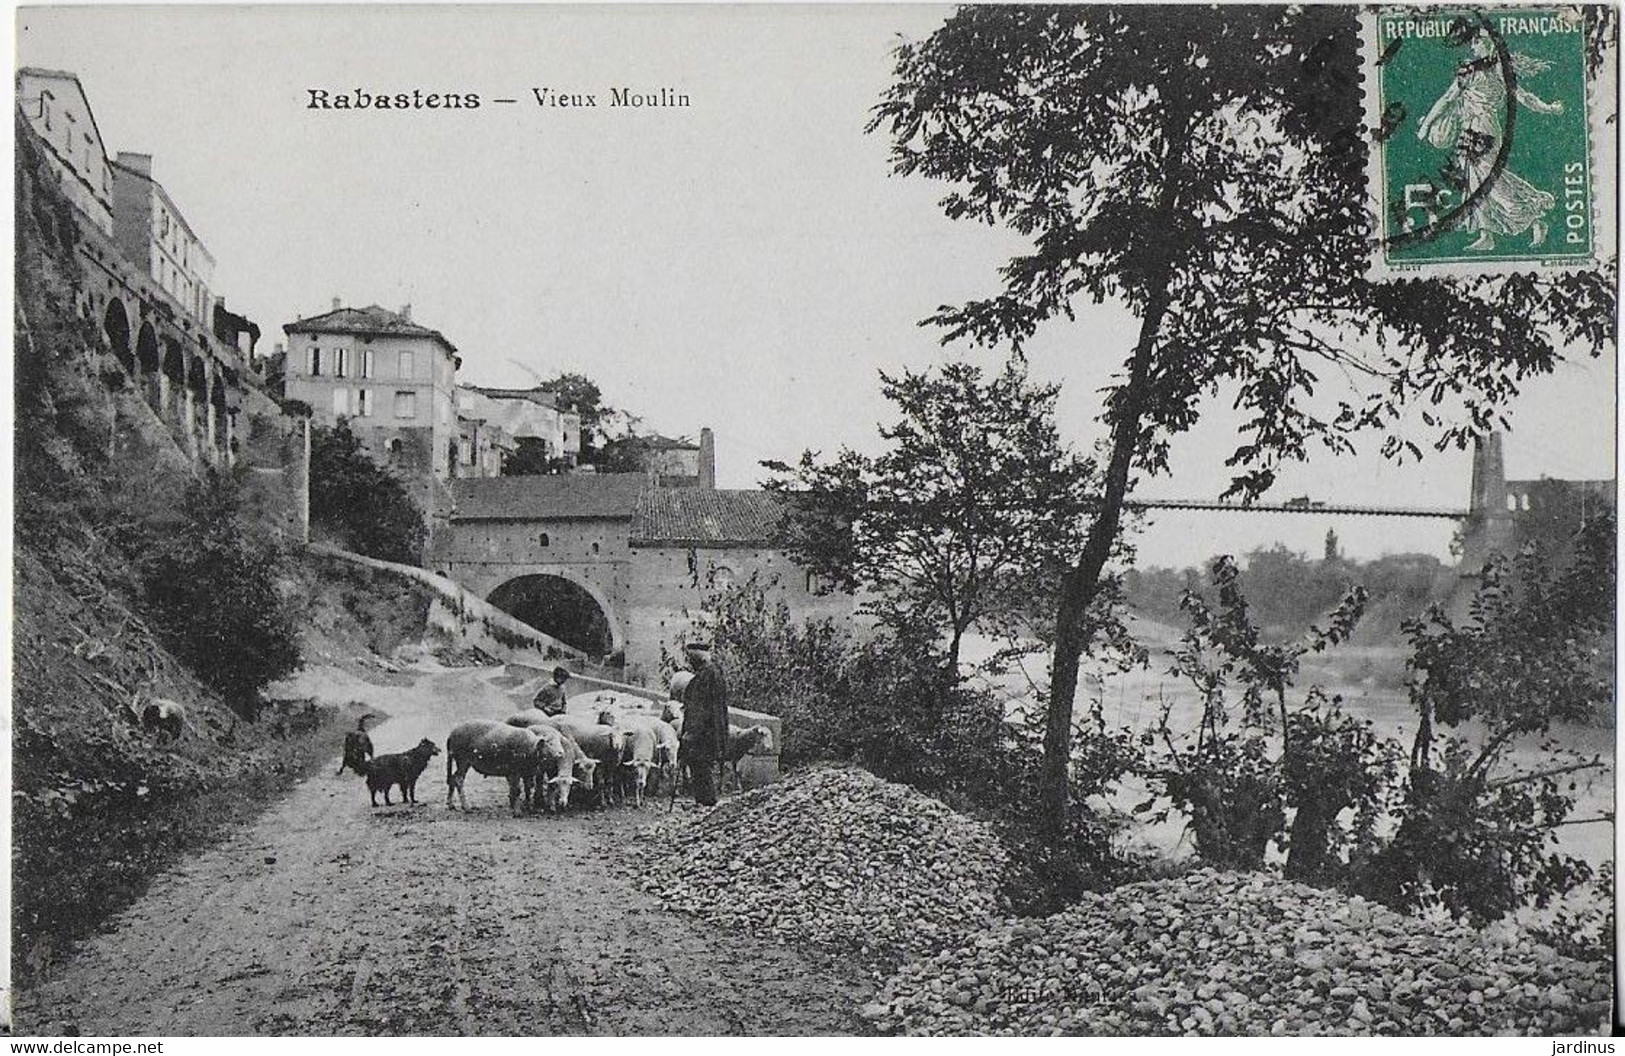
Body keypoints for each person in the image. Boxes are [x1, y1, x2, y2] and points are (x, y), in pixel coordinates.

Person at [1416, 29, 1565, 252]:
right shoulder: (1469, 71)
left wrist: (1548, 108)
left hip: (1484, 130)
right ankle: (1487, 235)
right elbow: (1449, 98)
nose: (1473, 46)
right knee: (1474, 181)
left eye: (1479, 42)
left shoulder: (1497, 71)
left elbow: (1522, 96)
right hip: (1469, 129)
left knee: (1489, 181)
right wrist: (1428, 123)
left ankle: (1532, 217)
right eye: (1473, 42)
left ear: (1491, 45)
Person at [678, 639, 728, 807]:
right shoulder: (714, 673)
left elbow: (700, 709)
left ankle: (706, 802)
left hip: (704, 732)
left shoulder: (704, 677)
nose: (690, 663)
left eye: (691, 659)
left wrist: (690, 732)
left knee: (700, 764)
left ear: (697, 659)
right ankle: (704, 801)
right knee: (703, 765)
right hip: (712, 729)